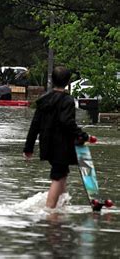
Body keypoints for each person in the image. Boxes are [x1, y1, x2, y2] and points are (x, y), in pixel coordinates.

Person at [23, 66, 89, 209]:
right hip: (61, 145)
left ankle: (61, 206)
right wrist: (82, 135)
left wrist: (28, 148)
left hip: (46, 144)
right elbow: (67, 122)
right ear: (68, 82)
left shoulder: (43, 100)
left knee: (62, 173)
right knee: (58, 176)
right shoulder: (67, 100)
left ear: (52, 80)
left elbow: (35, 125)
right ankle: (50, 211)